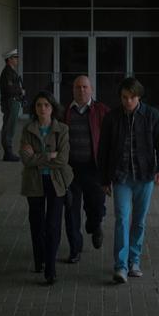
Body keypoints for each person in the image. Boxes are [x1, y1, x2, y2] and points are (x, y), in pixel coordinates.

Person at [98, 77, 159, 284]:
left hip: (144, 176)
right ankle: (120, 266)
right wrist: (104, 179)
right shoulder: (112, 118)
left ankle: (134, 261)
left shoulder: (152, 116)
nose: (128, 101)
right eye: (124, 97)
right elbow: (103, 150)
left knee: (139, 221)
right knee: (122, 219)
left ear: (139, 97)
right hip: (121, 177)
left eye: (131, 97)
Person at [20, 91, 73, 285]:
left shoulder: (63, 129)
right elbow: (25, 159)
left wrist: (37, 158)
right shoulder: (28, 129)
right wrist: (48, 156)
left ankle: (50, 269)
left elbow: (62, 159)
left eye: (46, 105)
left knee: (52, 225)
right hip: (34, 182)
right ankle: (39, 260)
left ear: (52, 108)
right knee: (37, 223)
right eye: (38, 105)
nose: (42, 109)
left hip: (56, 182)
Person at [62, 76, 111, 263]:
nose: (81, 90)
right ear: (73, 90)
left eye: (85, 87)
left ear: (91, 90)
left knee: (96, 206)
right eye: (77, 87)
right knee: (71, 210)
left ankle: (95, 225)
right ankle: (75, 248)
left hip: (94, 168)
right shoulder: (65, 111)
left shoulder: (101, 111)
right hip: (70, 169)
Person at [0, 49, 24, 161]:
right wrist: (20, 91)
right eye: (15, 57)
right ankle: (8, 153)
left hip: (13, 102)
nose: (17, 59)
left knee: (11, 127)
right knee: (8, 127)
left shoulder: (11, 71)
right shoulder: (7, 73)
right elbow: (9, 89)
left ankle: (8, 152)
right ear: (9, 59)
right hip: (10, 102)